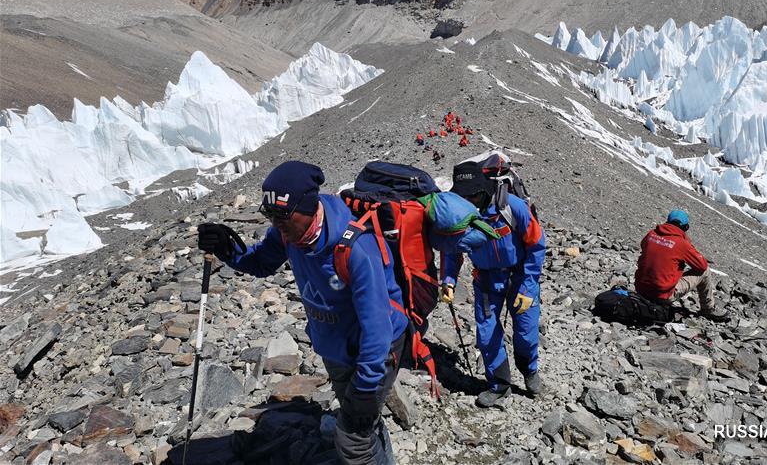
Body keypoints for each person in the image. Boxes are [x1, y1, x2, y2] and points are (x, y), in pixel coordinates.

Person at [197, 161, 407, 465]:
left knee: (353, 439)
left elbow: (378, 327)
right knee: (361, 420)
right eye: (270, 215)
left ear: (308, 207)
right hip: (335, 346)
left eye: (282, 215)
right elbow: (261, 263)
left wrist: (366, 386)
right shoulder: (288, 234)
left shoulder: (356, 249)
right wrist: (229, 251)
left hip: (376, 351)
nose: (276, 224)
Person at [440, 161, 545, 407]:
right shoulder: (460, 214)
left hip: (519, 276)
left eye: (474, 194)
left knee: (526, 330)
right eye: (465, 195)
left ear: (484, 189)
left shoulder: (512, 206)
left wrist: (529, 285)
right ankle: (499, 384)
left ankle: (530, 371)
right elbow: (452, 251)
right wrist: (448, 280)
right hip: (486, 279)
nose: (470, 200)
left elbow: (537, 244)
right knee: (486, 333)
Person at [635, 210, 728, 322]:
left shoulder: (651, 234)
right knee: (705, 272)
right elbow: (702, 266)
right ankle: (708, 310)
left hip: (641, 290)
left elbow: (645, 247)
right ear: (685, 227)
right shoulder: (682, 243)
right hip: (662, 295)